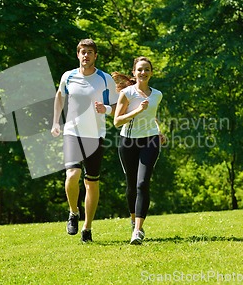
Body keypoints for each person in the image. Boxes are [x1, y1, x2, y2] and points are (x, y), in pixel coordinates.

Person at [51, 39, 118, 243]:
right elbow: (60, 96)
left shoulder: (105, 79)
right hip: (72, 132)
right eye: (83, 52)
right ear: (78, 55)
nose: (86, 55)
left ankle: (87, 227)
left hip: (95, 135)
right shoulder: (68, 76)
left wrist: (105, 109)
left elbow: (118, 107)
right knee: (72, 175)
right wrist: (56, 122)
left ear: (95, 56)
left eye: (90, 52)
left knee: (91, 183)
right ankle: (73, 212)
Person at [112, 56, 164, 245]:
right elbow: (117, 121)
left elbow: (152, 116)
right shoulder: (127, 93)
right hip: (128, 142)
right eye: (140, 69)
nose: (143, 73)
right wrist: (136, 111)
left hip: (150, 141)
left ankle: (137, 231)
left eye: (147, 69)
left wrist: (159, 131)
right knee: (132, 185)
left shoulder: (157, 94)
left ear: (151, 72)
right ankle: (134, 219)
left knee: (143, 183)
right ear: (134, 72)